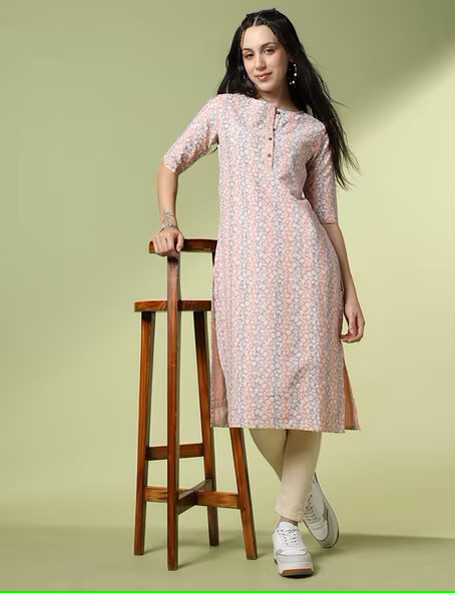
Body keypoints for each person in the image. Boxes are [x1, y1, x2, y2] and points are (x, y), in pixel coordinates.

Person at [151, 7, 366, 579]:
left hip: (309, 271)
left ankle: (286, 525)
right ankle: (305, 489)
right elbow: (170, 163)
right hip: (244, 273)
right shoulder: (224, 110)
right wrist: (168, 221)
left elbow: (327, 217)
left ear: (288, 53)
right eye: (249, 54)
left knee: (309, 398)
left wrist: (350, 292)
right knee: (253, 395)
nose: (259, 62)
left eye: (268, 49)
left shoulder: (312, 132)